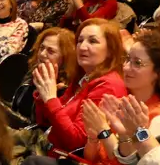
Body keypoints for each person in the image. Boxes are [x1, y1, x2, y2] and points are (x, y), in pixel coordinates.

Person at [16, 32, 160, 165]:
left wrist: (104, 131)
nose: (126, 68)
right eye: (127, 60)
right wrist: (92, 137)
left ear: (159, 72)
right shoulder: (122, 101)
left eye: (137, 63)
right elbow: (93, 156)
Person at [32, 19, 128, 153]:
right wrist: (43, 96)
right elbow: (44, 122)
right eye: (80, 41)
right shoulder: (83, 77)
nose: (82, 47)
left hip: (66, 163)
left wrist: (50, 99)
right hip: (46, 146)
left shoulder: (108, 86)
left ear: (111, 50)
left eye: (92, 41)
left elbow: (75, 143)